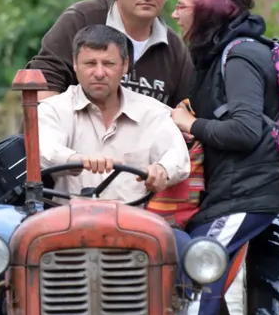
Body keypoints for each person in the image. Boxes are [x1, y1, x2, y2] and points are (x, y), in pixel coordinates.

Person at [167, 0, 279, 315]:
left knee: (201, 267)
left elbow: (245, 129)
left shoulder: (240, 55)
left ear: (206, 11)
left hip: (247, 195)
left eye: (182, 5)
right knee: (190, 262)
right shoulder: (216, 52)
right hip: (227, 193)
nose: (175, 12)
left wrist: (188, 124)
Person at [25, 0, 193, 108]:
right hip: (65, 132)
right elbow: (42, 85)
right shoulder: (81, 20)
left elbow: (184, 113)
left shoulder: (175, 50)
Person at [37, 24, 190, 206]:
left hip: (135, 225)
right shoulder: (53, 109)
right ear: (75, 64)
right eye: (90, 64)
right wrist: (77, 160)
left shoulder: (153, 112)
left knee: (186, 237)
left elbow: (177, 156)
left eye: (108, 64)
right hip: (68, 223)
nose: (99, 73)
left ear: (125, 66)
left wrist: (162, 169)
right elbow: (44, 152)